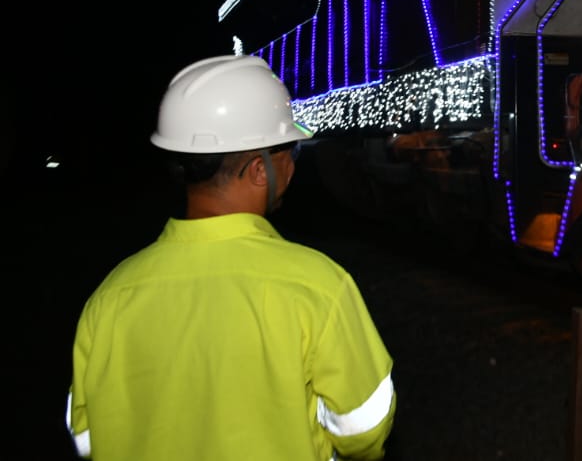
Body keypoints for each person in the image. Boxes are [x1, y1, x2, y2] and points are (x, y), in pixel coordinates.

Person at [66, 55, 396, 461]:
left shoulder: (110, 298)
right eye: (289, 150)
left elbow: (86, 437)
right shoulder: (319, 286)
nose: (293, 164)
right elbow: (365, 429)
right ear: (260, 170)